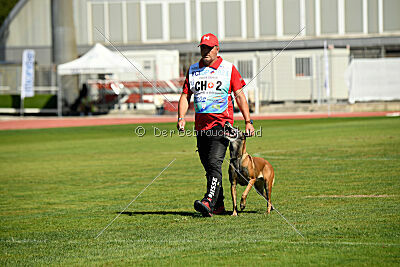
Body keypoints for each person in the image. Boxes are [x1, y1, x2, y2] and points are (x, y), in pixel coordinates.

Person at [177, 33, 254, 217]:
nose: (205, 51)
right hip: (201, 127)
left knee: (214, 163)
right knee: (208, 166)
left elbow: (240, 95)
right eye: (203, 47)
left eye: (209, 48)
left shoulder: (228, 69)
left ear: (217, 49)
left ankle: (208, 201)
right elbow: (185, 96)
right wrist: (181, 117)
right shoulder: (193, 70)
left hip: (222, 125)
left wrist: (248, 121)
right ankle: (219, 206)